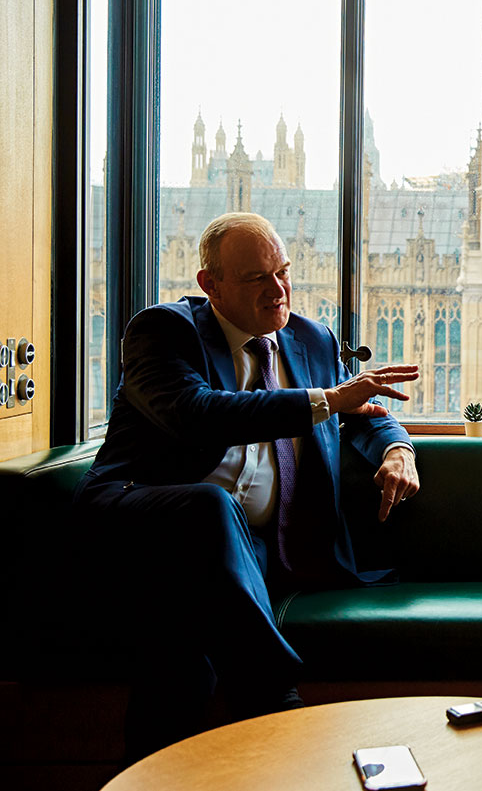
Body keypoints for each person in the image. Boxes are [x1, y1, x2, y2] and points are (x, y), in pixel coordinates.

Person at [75, 212, 421, 760]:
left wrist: (398, 448)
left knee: (181, 631)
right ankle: (274, 690)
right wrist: (327, 401)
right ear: (210, 285)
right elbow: (197, 414)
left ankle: (161, 772)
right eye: (257, 278)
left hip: (250, 548)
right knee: (209, 506)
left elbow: (365, 411)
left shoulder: (309, 339)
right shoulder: (164, 332)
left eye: (283, 272)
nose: (279, 289)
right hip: (141, 513)